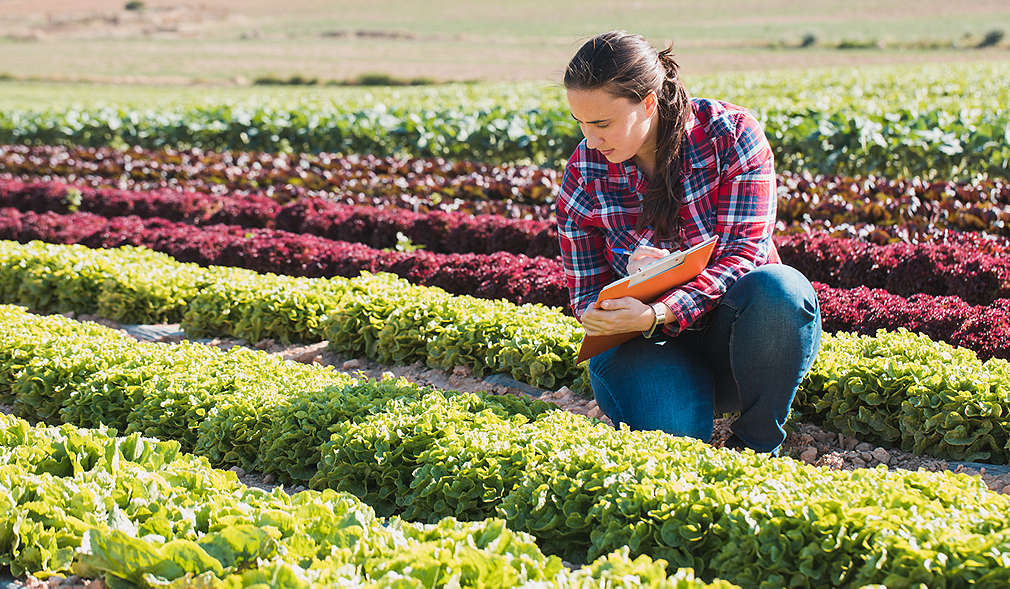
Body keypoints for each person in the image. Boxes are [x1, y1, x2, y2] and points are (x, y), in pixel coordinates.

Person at [556, 31, 821, 456]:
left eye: (602, 123)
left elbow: (745, 257)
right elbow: (585, 296)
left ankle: (756, 445)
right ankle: (676, 405)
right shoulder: (584, 173)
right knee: (677, 444)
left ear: (647, 103)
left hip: (735, 342)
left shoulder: (731, 136)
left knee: (781, 289)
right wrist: (625, 291)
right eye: (581, 123)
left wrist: (660, 309)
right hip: (645, 350)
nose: (590, 140)